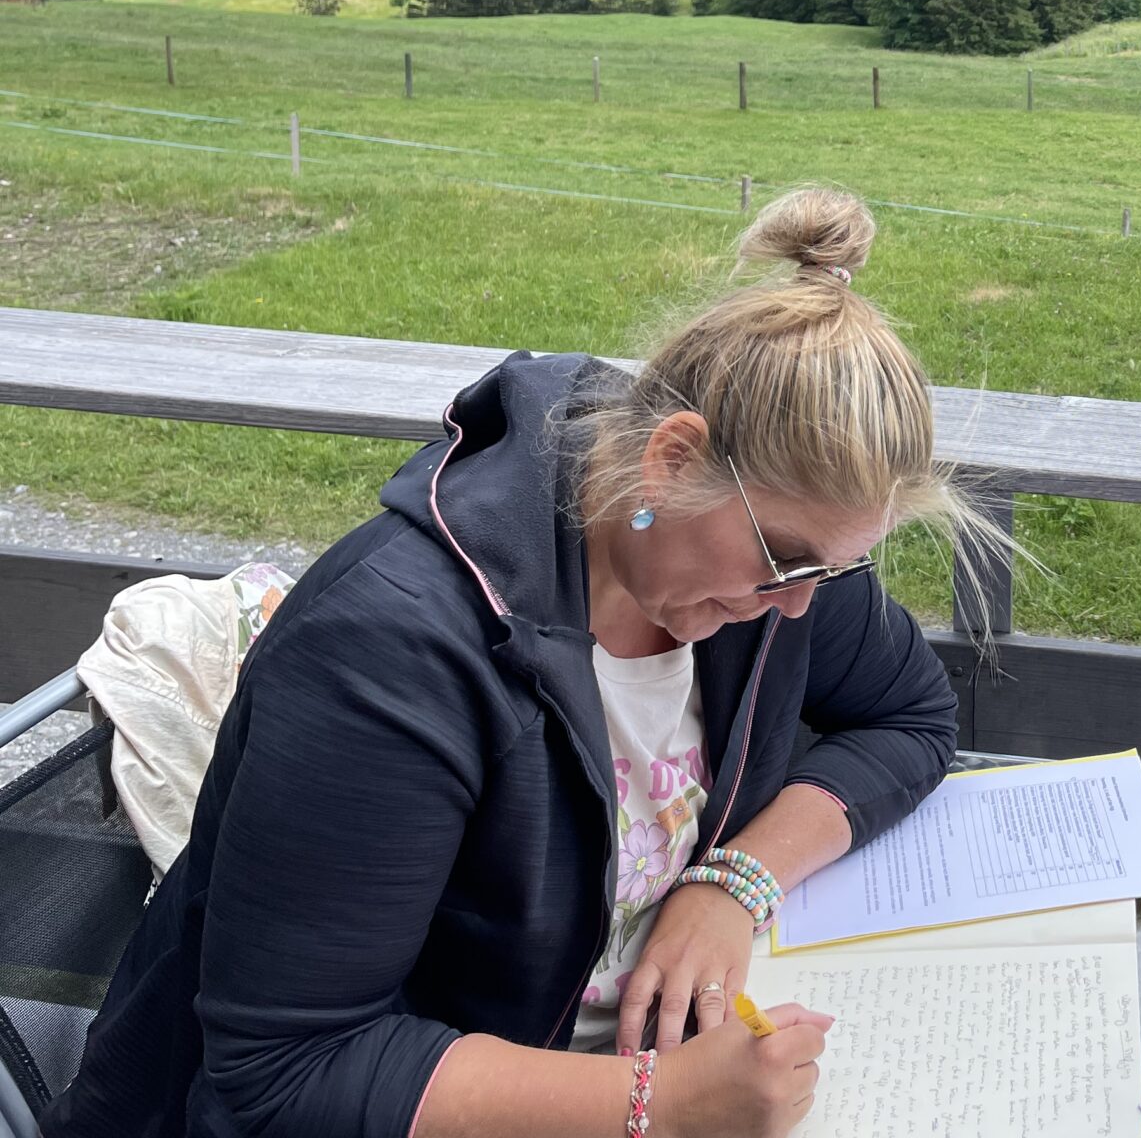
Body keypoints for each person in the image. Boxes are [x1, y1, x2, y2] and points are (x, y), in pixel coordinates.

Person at [49, 188, 981, 1138]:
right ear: (669, 460)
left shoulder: (779, 554)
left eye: (840, 567)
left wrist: (733, 880)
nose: (800, 605)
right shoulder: (393, 649)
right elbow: (289, 1073)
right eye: (788, 563)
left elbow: (910, 718)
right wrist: (664, 1106)